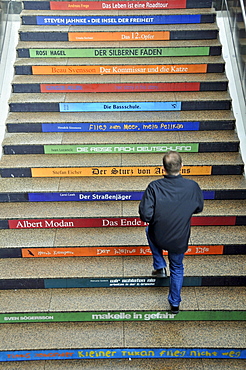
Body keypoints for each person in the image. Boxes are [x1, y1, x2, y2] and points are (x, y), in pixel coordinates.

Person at [139, 151, 204, 314]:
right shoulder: (192, 186)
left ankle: (159, 264)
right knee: (177, 267)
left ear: (163, 169)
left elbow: (145, 215)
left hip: (159, 235)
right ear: (182, 167)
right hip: (179, 239)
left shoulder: (154, 186)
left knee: (148, 230)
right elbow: (199, 208)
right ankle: (174, 304)